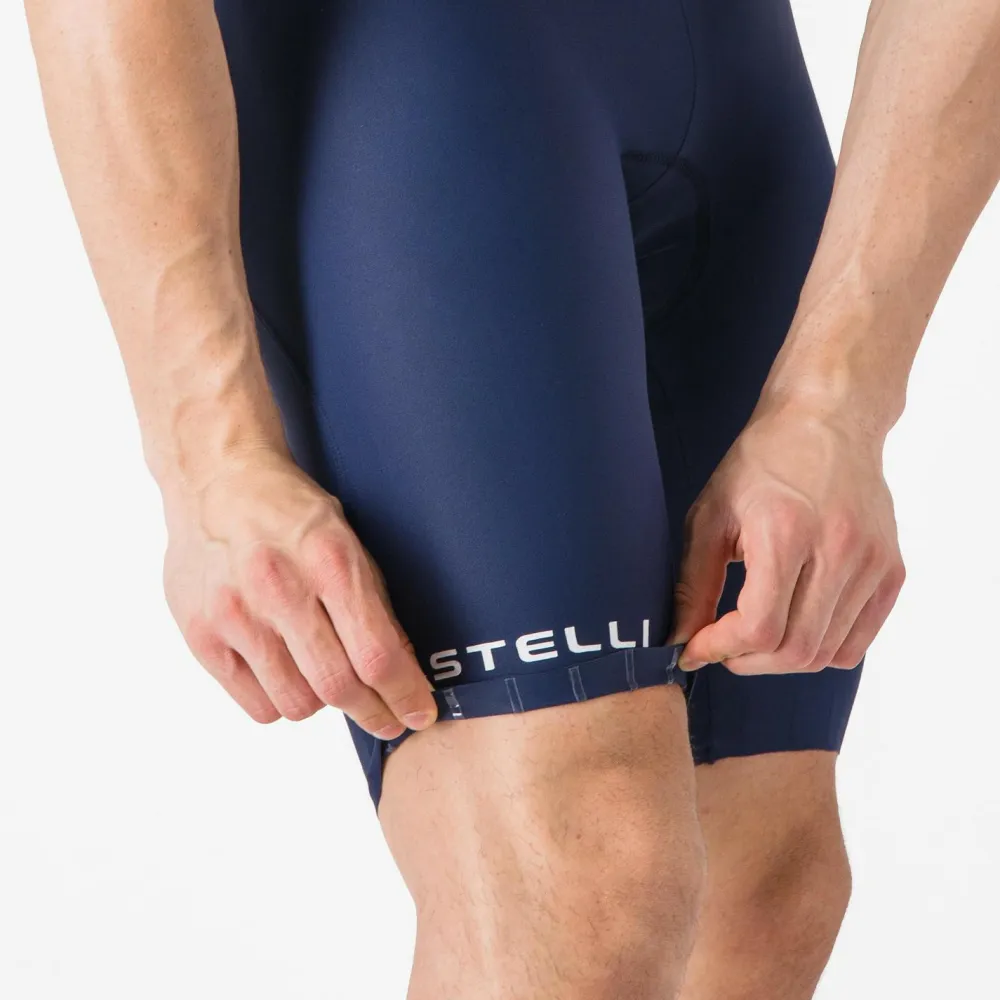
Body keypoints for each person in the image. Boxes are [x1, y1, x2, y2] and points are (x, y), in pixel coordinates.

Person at [23, 0, 1000, 997]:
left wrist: (840, 402)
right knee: (579, 885)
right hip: (413, 77)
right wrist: (209, 452)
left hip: (734, 67)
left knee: (764, 892)